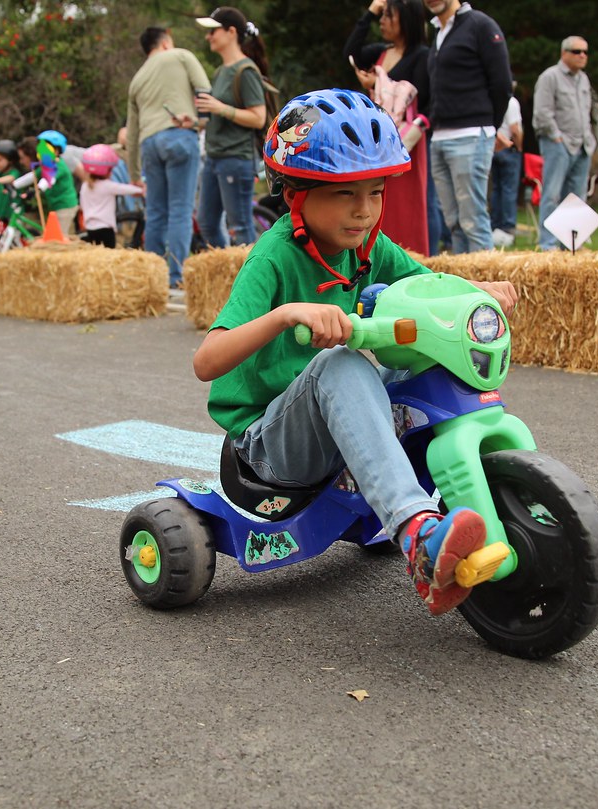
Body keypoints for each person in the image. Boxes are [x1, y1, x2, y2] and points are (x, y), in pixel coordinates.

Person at [192, 89, 519, 615]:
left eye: (375, 192)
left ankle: (472, 495)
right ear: (295, 194)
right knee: (339, 363)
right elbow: (206, 361)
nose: (364, 211)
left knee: (421, 357)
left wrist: (475, 289)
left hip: (330, 424)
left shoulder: (366, 245)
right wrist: (284, 314)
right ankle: (417, 535)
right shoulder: (272, 258)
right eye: (345, 194)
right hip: (267, 450)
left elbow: (424, 286)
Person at [424, 0, 512, 254]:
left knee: (473, 220)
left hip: (471, 134)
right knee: (454, 223)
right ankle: (463, 278)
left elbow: (502, 84)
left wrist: (490, 127)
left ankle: (487, 277)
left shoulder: (480, 25)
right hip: (439, 137)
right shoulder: (438, 31)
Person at [344, 0, 431, 255]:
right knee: (377, 198)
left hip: (404, 144)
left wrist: (379, 83)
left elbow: (423, 99)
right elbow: (350, 52)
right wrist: (370, 13)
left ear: (406, 19)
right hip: (375, 143)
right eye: (381, 16)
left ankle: (408, 257)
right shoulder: (381, 52)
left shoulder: (422, 56)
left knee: (404, 205)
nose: (381, 22)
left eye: (388, 16)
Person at [127, 26, 210, 288]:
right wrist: (202, 122)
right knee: (180, 210)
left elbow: (131, 131)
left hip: (149, 143)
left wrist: (133, 173)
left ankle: (152, 277)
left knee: (155, 212)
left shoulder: (137, 79)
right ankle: (176, 276)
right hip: (179, 135)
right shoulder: (180, 55)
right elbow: (205, 91)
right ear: (165, 43)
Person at [194, 7, 269, 248]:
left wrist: (220, 108)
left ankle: (251, 269)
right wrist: (192, 122)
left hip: (236, 158)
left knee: (241, 226)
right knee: (206, 223)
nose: (208, 36)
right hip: (214, 157)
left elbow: (258, 118)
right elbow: (216, 115)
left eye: (213, 31)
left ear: (231, 32)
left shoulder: (246, 71)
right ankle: (228, 266)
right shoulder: (220, 72)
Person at [532, 36, 596, 251]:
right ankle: (548, 244)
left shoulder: (583, 79)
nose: (582, 56)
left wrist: (589, 137)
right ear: (564, 53)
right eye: (577, 51)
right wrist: (556, 137)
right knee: (552, 194)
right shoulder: (550, 77)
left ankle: (571, 245)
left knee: (576, 198)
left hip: (583, 145)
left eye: (585, 52)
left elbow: (587, 111)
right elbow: (542, 112)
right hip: (557, 144)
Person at [9, 130, 80, 236]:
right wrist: (14, 184)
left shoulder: (58, 165)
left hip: (65, 205)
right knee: (52, 233)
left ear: (56, 151)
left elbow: (48, 179)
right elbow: (32, 176)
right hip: (55, 205)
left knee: (59, 235)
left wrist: (36, 190)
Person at [78, 143, 144, 249]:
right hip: (106, 228)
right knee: (109, 253)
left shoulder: (85, 186)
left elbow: (82, 204)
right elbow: (126, 189)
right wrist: (142, 189)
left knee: (95, 252)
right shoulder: (107, 186)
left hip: (90, 228)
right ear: (106, 171)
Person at [489, 82, 523, 248]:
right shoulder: (512, 102)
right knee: (509, 189)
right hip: (508, 147)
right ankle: (508, 227)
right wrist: (519, 147)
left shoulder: (491, 99)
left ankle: (495, 225)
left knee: (496, 189)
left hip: (493, 147)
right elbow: (514, 129)